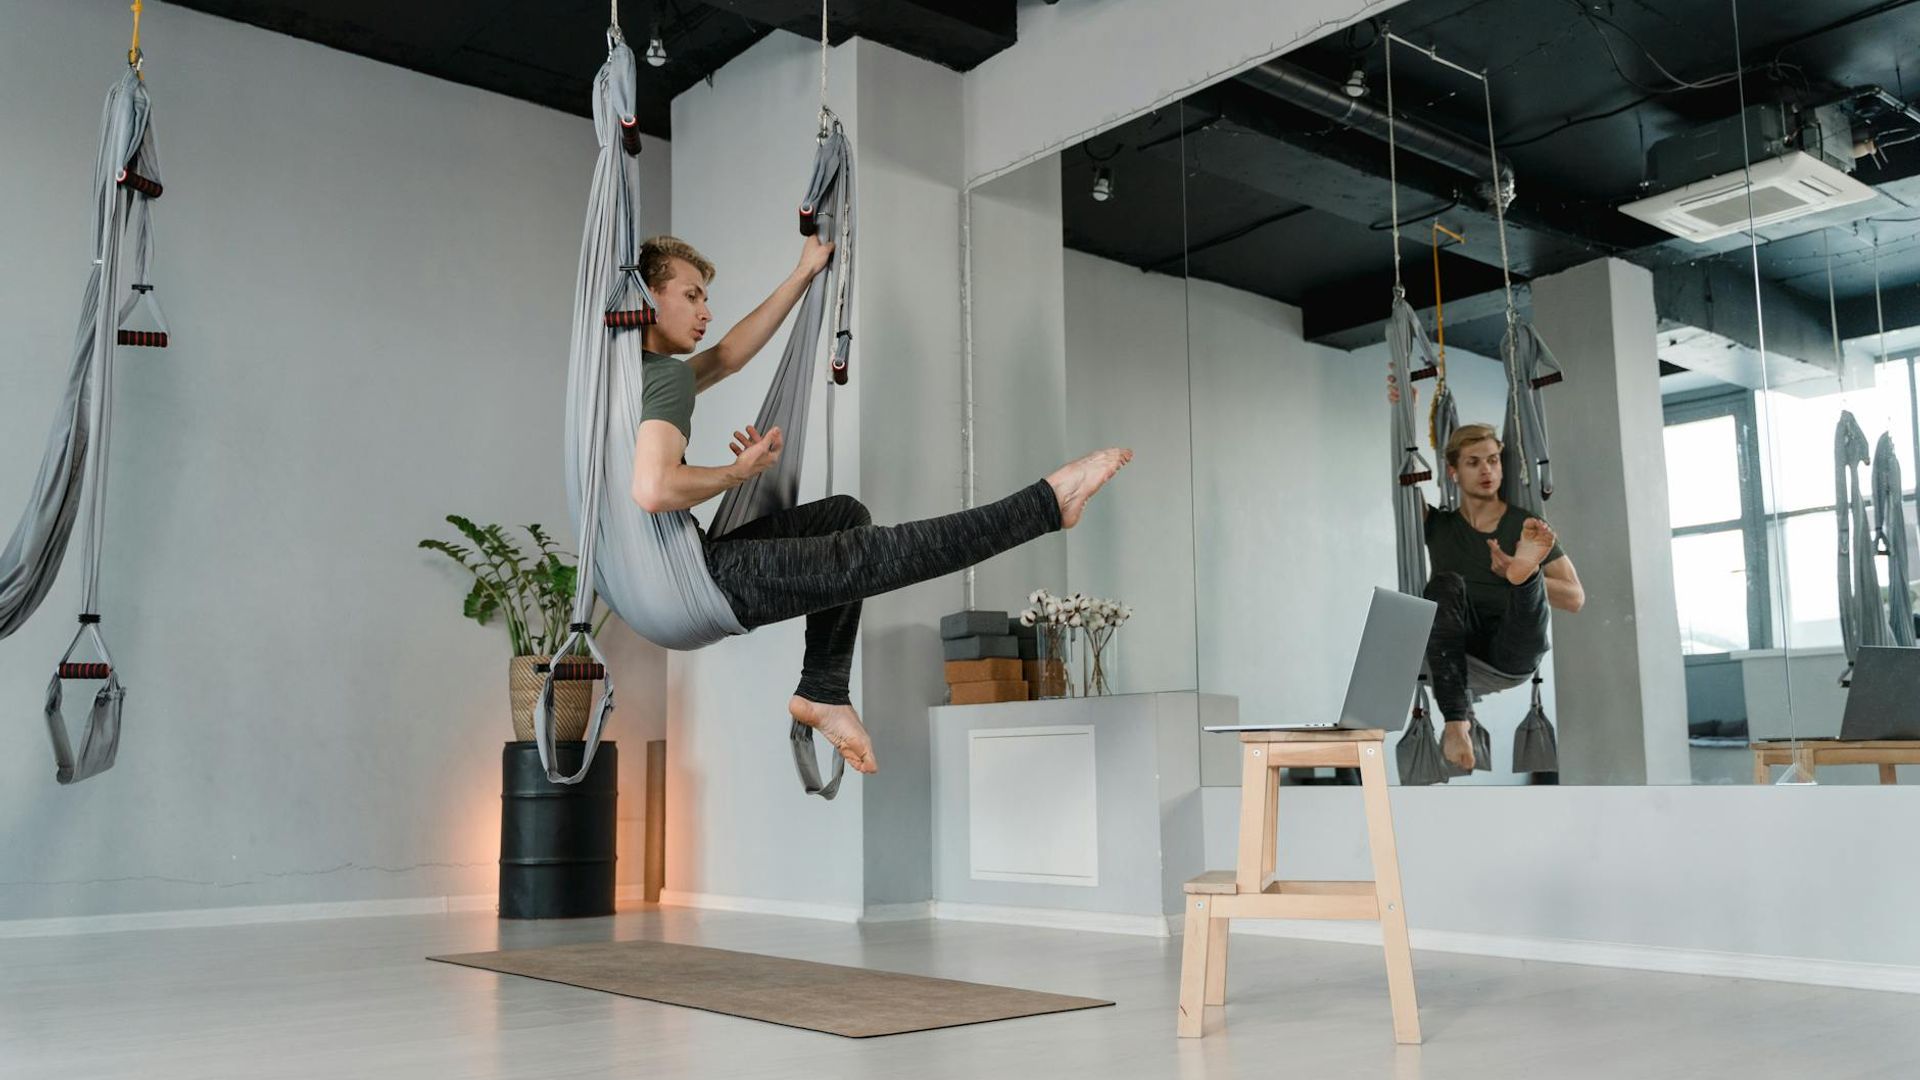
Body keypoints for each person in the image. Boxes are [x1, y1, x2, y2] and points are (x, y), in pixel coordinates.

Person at [628, 234, 1131, 778]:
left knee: (844, 517)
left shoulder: (624, 378)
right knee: (879, 554)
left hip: (665, 582)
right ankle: (1050, 502)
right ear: (647, 297)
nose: (706, 311)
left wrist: (802, 274)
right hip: (697, 582)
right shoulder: (669, 377)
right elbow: (654, 488)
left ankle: (822, 688)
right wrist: (737, 472)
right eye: (692, 296)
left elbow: (727, 356)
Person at [1390, 375, 1585, 772]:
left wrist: (1514, 572)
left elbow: (1575, 598)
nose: (1487, 471)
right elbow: (1402, 486)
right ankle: (1457, 724)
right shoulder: (1438, 525)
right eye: (1474, 462)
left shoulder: (1524, 525)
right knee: (1444, 584)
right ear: (1453, 472)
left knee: (1526, 585)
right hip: (1459, 650)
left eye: (1493, 460)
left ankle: (1523, 576)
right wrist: (1401, 414)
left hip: (1513, 649)